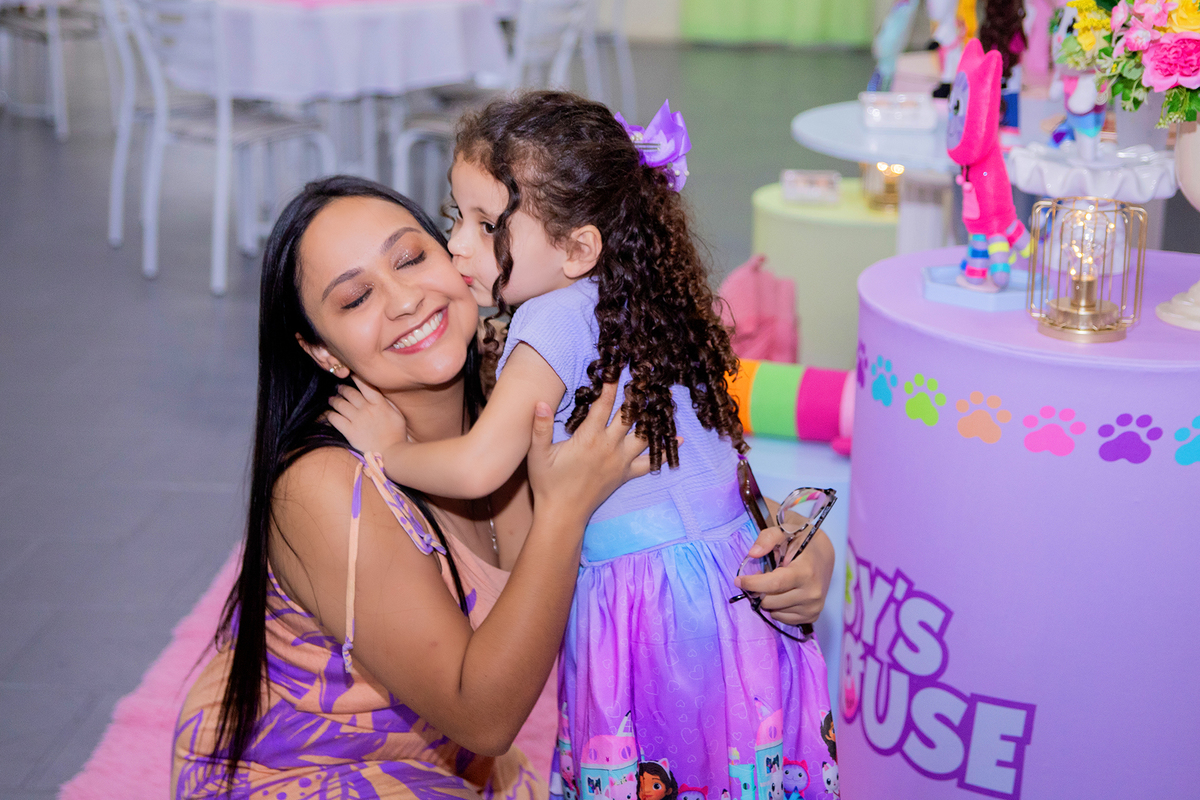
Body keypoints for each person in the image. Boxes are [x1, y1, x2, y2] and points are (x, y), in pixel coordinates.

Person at [171, 177, 833, 800]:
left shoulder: (518, 382)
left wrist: (800, 550)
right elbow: (482, 717)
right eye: (355, 299)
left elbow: (685, 488)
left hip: (460, 772)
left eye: (411, 259)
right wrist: (564, 510)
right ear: (322, 351)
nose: (403, 300)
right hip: (300, 774)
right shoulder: (325, 485)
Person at [327, 93, 837, 799]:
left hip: (654, 605)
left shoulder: (550, 318)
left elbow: (479, 465)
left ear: (577, 248)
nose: (458, 245)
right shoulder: (644, 309)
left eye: (486, 225)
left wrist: (389, 449)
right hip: (730, 579)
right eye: (455, 217)